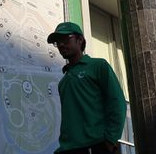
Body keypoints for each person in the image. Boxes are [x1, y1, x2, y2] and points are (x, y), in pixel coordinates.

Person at [47, 22, 127, 154]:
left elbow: (117, 102)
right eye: (57, 42)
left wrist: (110, 139)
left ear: (80, 40)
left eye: (65, 39)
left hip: (97, 146)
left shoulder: (98, 66)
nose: (61, 44)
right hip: (69, 149)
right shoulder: (63, 82)